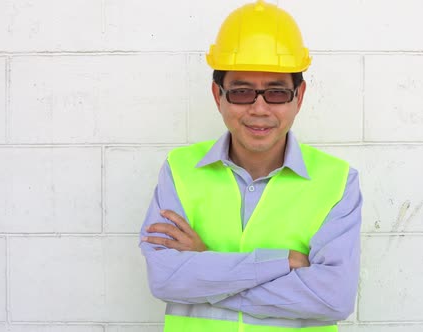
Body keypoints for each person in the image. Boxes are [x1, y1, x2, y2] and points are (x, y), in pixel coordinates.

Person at [139, 1, 362, 331]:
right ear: (218, 96)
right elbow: (166, 279)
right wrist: (280, 263)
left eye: (276, 92)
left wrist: (205, 266)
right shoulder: (180, 170)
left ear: (298, 97)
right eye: (242, 92)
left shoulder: (337, 181)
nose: (259, 108)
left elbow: (333, 299)